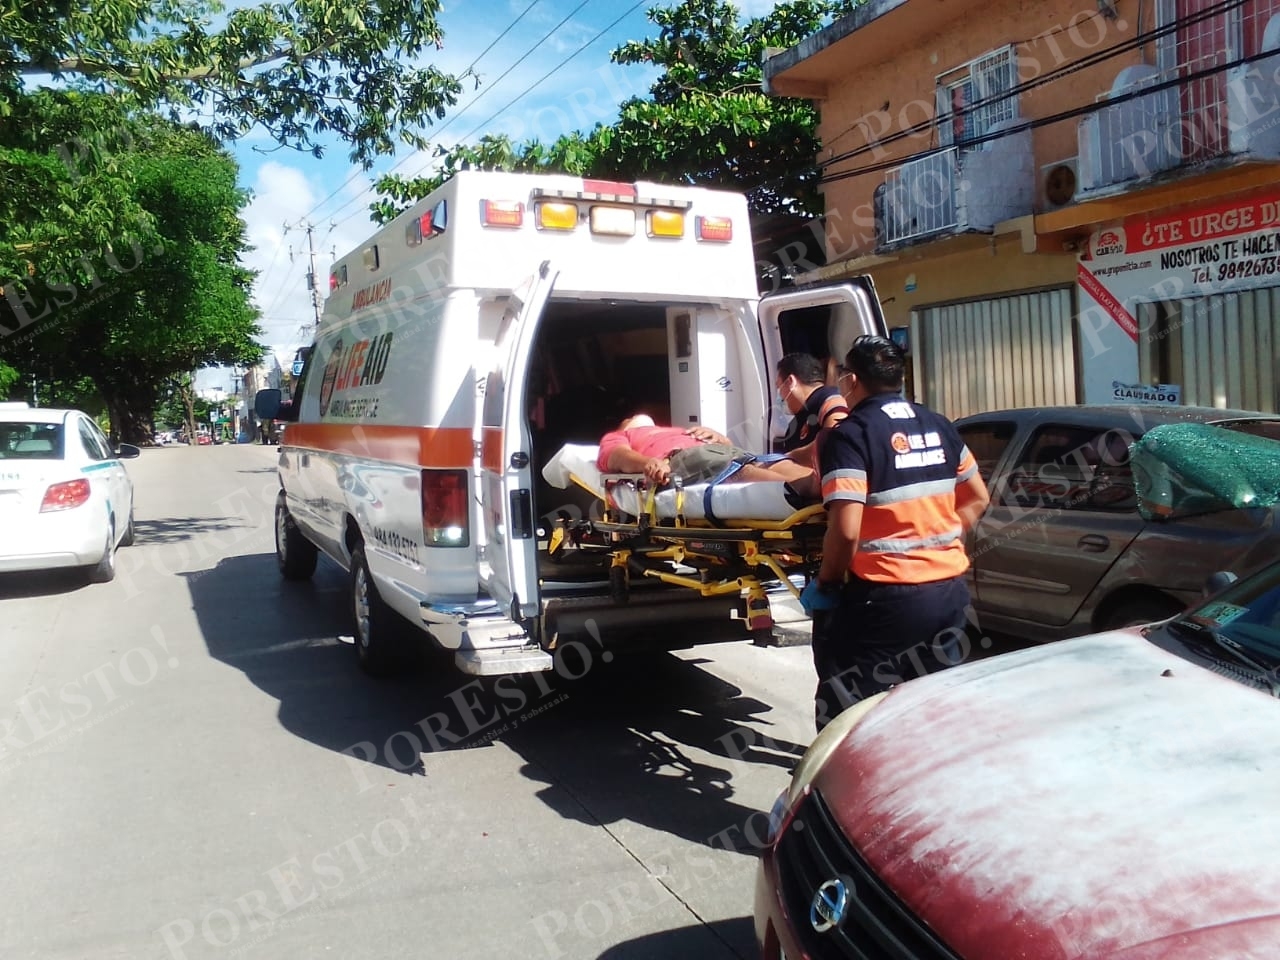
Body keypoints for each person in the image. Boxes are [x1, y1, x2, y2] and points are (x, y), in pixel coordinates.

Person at [799, 335, 991, 730]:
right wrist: (937, 537)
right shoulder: (939, 425)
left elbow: (847, 528)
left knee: (851, 713)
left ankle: (843, 788)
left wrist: (829, 582)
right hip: (948, 594)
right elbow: (977, 498)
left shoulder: (850, 436)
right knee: (932, 706)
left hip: (884, 600)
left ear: (852, 381)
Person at [597, 414, 814, 488]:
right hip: (679, 460)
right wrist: (648, 463)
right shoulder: (620, 435)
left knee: (766, 461)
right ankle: (799, 490)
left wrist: (719, 438)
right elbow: (618, 457)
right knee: (734, 471)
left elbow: (727, 449)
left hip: (714, 451)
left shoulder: (674, 430)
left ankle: (821, 484)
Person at [776, 353, 848, 453]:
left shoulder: (831, 401)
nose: (779, 395)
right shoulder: (797, 421)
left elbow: (836, 446)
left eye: (779, 387)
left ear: (790, 382)